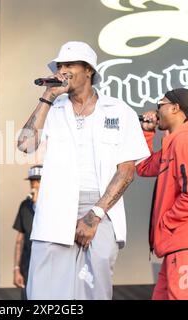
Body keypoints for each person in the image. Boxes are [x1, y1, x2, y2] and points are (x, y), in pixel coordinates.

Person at [17, 41, 150, 299]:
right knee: (45, 295)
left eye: (69, 65)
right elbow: (24, 144)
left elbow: (126, 172)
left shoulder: (119, 111)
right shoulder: (51, 109)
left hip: (100, 209)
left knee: (93, 292)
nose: (62, 70)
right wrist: (47, 96)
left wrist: (94, 216)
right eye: (60, 66)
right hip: (55, 210)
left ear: (88, 70)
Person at [136, 88, 188, 300]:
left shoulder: (186, 141)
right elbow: (144, 167)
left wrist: (166, 222)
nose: (156, 110)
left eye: (160, 104)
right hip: (180, 241)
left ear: (175, 108)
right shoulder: (174, 142)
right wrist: (147, 132)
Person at [12, 165, 42, 300]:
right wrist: (16, 269)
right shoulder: (25, 205)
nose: (34, 184)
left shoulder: (55, 206)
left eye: (38, 181)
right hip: (27, 266)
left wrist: (39, 204)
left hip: (48, 266)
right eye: (32, 181)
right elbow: (20, 238)